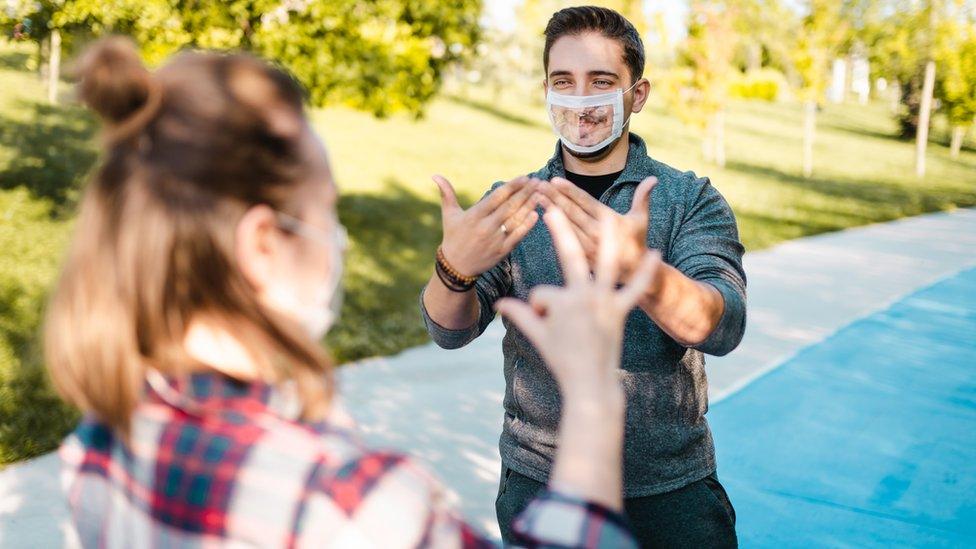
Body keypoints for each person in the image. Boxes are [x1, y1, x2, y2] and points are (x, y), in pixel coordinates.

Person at [45, 37, 658, 547]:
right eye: (326, 212)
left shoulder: (99, 442)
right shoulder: (353, 503)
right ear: (262, 245)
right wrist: (593, 394)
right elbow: (448, 327)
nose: (338, 239)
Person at [420, 6, 746, 547]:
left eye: (601, 82)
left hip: (672, 493)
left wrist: (641, 271)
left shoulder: (690, 199)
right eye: (563, 82)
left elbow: (722, 325)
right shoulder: (514, 202)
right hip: (540, 485)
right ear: (546, 90)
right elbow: (448, 330)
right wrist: (451, 270)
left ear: (637, 95)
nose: (581, 102)